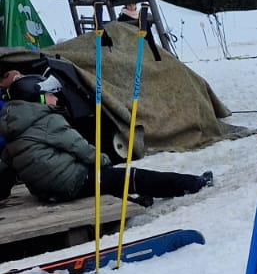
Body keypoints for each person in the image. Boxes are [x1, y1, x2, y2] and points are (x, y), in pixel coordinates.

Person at [0, 76, 212, 204]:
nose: (56, 98)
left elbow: (6, 166)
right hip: (70, 183)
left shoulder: (14, 127)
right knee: (131, 176)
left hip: (46, 192)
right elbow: (80, 148)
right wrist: (104, 162)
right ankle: (192, 184)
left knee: (108, 180)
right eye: (50, 94)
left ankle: (137, 199)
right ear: (36, 98)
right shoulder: (46, 120)